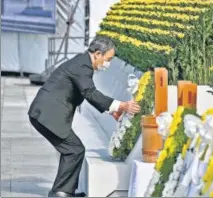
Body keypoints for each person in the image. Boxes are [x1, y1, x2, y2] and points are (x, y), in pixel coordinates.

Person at [28, 36, 141, 197]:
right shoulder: (82, 66)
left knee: (73, 149)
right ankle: (61, 192)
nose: (107, 64)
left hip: (46, 113)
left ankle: (63, 191)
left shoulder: (82, 62)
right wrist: (121, 105)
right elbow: (90, 92)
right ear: (97, 54)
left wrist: (112, 110)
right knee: (74, 149)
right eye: (107, 59)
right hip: (47, 115)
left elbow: (86, 92)